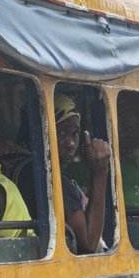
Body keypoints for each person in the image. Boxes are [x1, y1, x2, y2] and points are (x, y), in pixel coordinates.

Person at [54, 92, 112, 254]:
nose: (71, 143)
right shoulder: (57, 184)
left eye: (75, 134)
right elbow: (89, 244)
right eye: (61, 133)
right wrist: (100, 171)